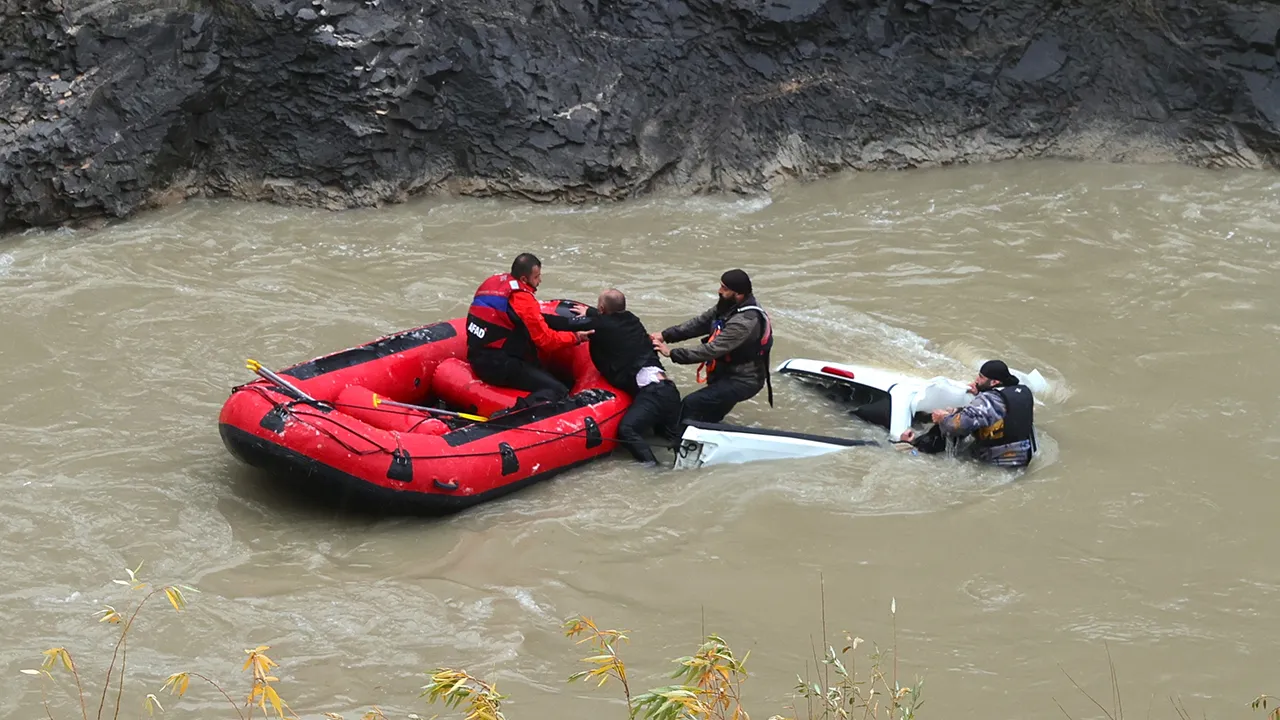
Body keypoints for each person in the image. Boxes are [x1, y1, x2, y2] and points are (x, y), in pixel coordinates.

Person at [547, 289, 682, 466]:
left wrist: (525, 315)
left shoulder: (599, 325)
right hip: (668, 391)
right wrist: (590, 312)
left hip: (653, 394)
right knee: (674, 440)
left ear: (602, 308)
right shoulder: (632, 319)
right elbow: (608, 319)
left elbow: (559, 323)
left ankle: (654, 469)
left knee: (627, 429)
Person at [651, 269, 773, 425]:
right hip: (725, 373)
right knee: (711, 415)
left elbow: (711, 350)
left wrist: (672, 354)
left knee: (691, 403)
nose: (719, 291)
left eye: (725, 288)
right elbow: (700, 323)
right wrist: (665, 335)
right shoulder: (729, 305)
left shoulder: (744, 322)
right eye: (721, 286)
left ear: (739, 294)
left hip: (742, 380)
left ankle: (676, 440)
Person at [465, 253, 592, 399]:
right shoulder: (522, 299)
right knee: (559, 391)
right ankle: (519, 412)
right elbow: (546, 341)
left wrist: (573, 324)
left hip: (477, 354)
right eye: (536, 277)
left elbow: (535, 319)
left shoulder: (494, 282)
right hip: (497, 365)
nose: (540, 280)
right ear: (524, 279)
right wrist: (576, 337)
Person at [898, 359, 1037, 468]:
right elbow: (1003, 411)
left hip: (1001, 462)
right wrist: (981, 392)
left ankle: (910, 447)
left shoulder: (990, 399)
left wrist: (943, 417)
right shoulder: (1023, 391)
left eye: (981, 377)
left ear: (995, 382)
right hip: (1026, 454)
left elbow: (956, 426)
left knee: (948, 432)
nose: (977, 380)